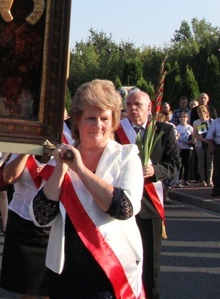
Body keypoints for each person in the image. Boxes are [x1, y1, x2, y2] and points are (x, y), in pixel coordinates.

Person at [31, 80, 144, 298]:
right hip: (66, 274)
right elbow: (41, 217)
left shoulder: (126, 157)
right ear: (77, 120)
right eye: (91, 118)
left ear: (113, 122)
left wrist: (81, 170)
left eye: (105, 118)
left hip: (111, 272)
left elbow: (124, 209)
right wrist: (62, 168)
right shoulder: (62, 158)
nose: (98, 125)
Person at [117, 89, 179, 299]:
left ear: (149, 108)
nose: (133, 108)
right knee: (123, 259)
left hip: (150, 204)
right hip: (122, 204)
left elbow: (174, 163)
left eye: (138, 104)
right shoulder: (117, 132)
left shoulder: (164, 130)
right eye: (129, 105)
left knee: (150, 263)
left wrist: (155, 171)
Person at [0, 152, 54, 297]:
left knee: (49, 286)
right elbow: (8, 177)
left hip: (51, 226)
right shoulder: (22, 148)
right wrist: (26, 151)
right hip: (21, 221)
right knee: (26, 286)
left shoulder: (66, 145)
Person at [192, 105, 214, 187]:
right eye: (199, 113)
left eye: (202, 112)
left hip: (209, 144)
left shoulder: (211, 121)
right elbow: (195, 134)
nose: (200, 114)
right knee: (201, 162)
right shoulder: (196, 122)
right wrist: (203, 140)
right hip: (200, 144)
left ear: (206, 112)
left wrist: (209, 141)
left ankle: (210, 180)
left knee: (210, 162)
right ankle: (202, 180)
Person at [175, 111, 195, 186]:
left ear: (187, 118)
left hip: (188, 148)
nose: (183, 119)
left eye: (185, 117)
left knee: (187, 164)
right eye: (182, 117)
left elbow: (193, 137)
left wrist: (191, 141)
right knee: (180, 163)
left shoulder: (190, 128)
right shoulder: (177, 127)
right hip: (180, 147)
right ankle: (179, 178)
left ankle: (186, 179)